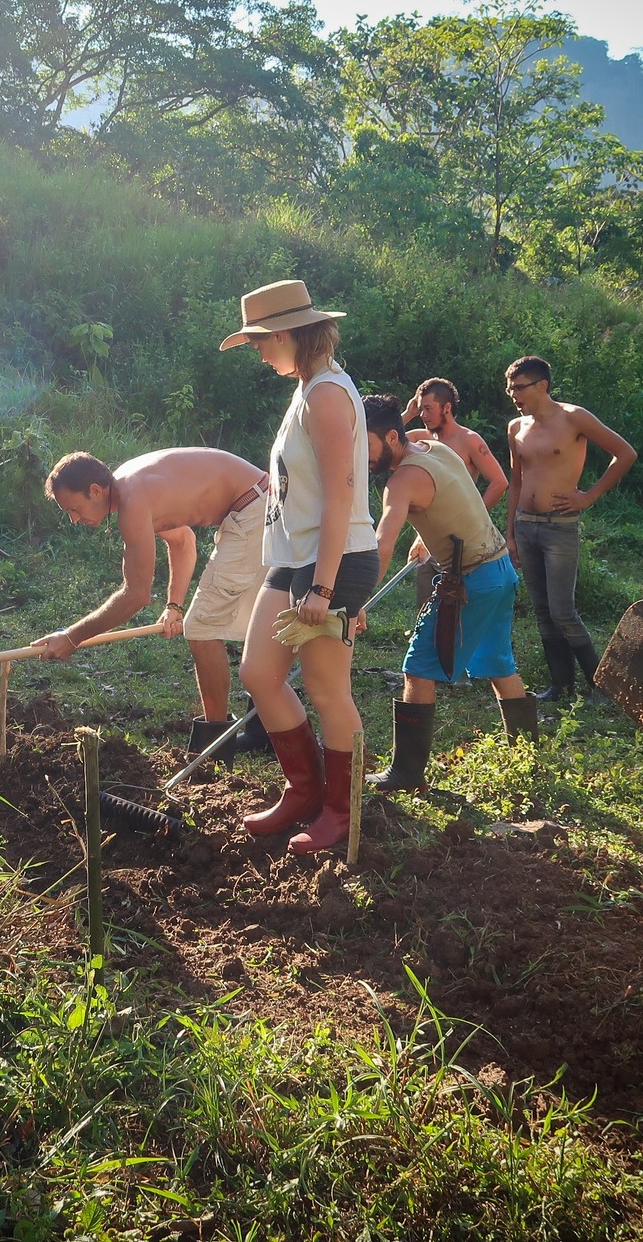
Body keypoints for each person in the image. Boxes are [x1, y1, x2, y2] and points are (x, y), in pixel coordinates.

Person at [222, 279, 378, 856]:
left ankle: (342, 809)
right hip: (291, 559)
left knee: (327, 690)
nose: (260, 354)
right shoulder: (307, 388)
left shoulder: (329, 394)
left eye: (260, 343)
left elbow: (341, 496)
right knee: (259, 673)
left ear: (285, 334)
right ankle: (304, 789)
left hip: (330, 562)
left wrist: (323, 586)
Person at [36, 446, 269, 760]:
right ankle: (263, 731)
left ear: (95, 490)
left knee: (201, 627)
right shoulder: (133, 488)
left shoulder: (133, 501)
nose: (75, 520)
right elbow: (183, 541)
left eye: (74, 509)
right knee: (263, 619)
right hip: (261, 500)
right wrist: (174, 606)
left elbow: (136, 595)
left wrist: (71, 637)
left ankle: (213, 752)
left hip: (254, 507)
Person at [361, 393, 535, 789]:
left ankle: (405, 774)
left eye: (366, 443)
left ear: (390, 437)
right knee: (498, 663)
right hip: (500, 570)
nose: (362, 454)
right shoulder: (434, 447)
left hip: (471, 581)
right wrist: (430, 535)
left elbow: (381, 545)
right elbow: (458, 499)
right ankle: (529, 760)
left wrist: (356, 602)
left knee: (417, 669)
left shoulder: (401, 481)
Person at [504, 356, 638, 703]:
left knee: (562, 610)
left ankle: (602, 686)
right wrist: (509, 532)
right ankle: (560, 685)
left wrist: (589, 496)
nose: (513, 393)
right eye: (510, 387)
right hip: (526, 525)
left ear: (542, 386)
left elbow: (624, 453)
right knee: (542, 610)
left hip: (559, 527)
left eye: (519, 387)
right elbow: (515, 482)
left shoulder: (573, 417)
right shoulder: (515, 427)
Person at [403, 377, 510, 607]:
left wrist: (473, 515)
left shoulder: (469, 440)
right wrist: (408, 413)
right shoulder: (421, 438)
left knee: (457, 609)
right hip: (428, 539)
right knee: (426, 606)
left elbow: (499, 482)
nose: (424, 415)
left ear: (447, 408)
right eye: (421, 410)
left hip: (461, 540)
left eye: (428, 409)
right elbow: (384, 440)